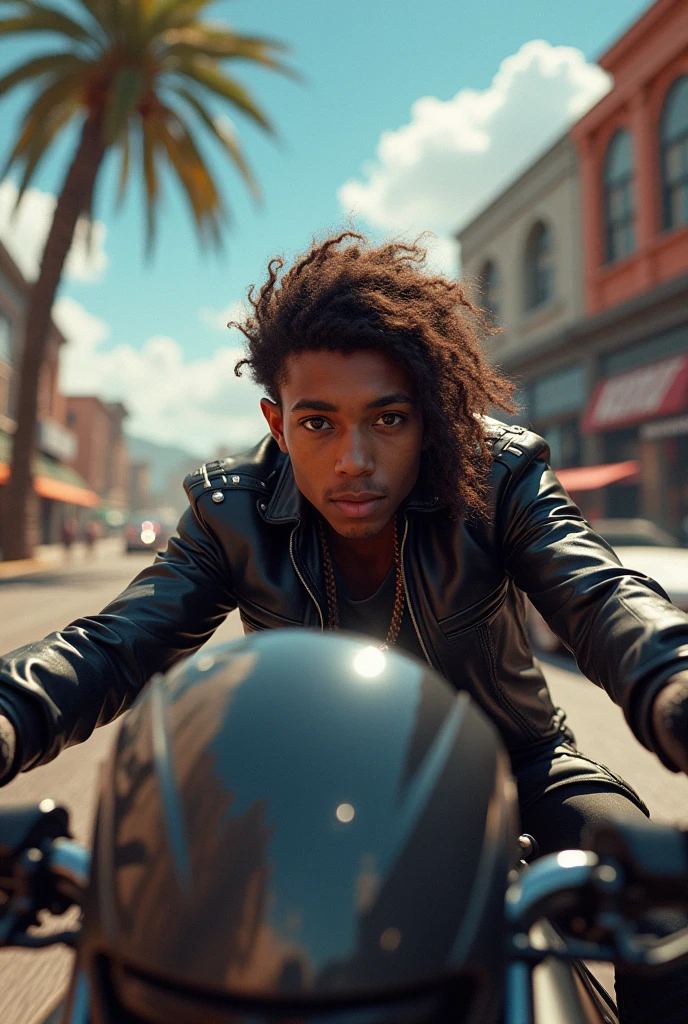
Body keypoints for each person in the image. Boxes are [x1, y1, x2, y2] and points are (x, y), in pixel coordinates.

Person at [1, 232, 688, 1019]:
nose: (354, 458)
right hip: (292, 788)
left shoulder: (496, 476)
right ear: (277, 419)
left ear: (427, 419)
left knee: (664, 921)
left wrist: (674, 680)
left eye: (387, 419)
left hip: (514, 769)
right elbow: (113, 644)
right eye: (318, 423)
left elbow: (599, 594)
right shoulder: (233, 511)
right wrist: (8, 714)